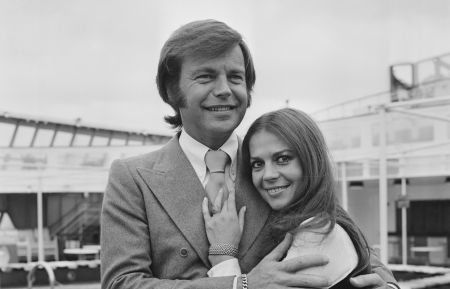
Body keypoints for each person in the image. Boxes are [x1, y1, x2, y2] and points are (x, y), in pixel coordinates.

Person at [101, 19, 399, 289]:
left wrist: (390, 288)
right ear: (171, 89)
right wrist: (241, 285)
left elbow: (358, 249)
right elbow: (121, 284)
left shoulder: (280, 169)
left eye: (235, 77)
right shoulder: (132, 177)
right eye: (205, 77)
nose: (224, 90)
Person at [203, 108, 400, 289]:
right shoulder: (319, 218)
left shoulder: (317, 234)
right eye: (257, 164)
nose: (268, 174)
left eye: (283, 159)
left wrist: (223, 258)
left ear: (311, 160)